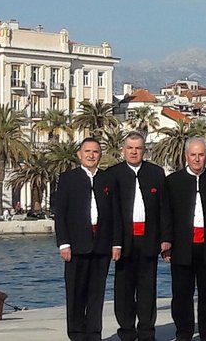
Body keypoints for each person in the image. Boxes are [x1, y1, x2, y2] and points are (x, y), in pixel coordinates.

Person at [54, 137, 122, 341]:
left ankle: (94, 334)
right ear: (79, 154)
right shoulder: (67, 179)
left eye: (95, 152)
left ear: (100, 155)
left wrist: (116, 243)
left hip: (101, 246)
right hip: (75, 246)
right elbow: (61, 213)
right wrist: (64, 244)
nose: (91, 155)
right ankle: (76, 334)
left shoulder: (107, 179)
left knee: (96, 293)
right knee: (75, 293)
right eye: (87, 151)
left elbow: (116, 213)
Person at [163, 137, 206, 341]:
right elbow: (166, 214)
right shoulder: (173, 181)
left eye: (201, 155)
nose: (197, 159)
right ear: (186, 156)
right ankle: (184, 333)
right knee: (181, 295)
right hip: (182, 247)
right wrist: (167, 242)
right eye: (193, 155)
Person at [108, 131, 169, 341]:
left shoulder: (156, 173)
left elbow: (164, 208)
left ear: (144, 150)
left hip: (149, 240)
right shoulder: (113, 174)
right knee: (123, 289)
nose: (134, 152)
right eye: (130, 148)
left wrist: (166, 238)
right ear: (123, 150)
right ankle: (126, 331)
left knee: (147, 288)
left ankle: (146, 332)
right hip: (123, 241)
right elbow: (110, 212)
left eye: (138, 148)